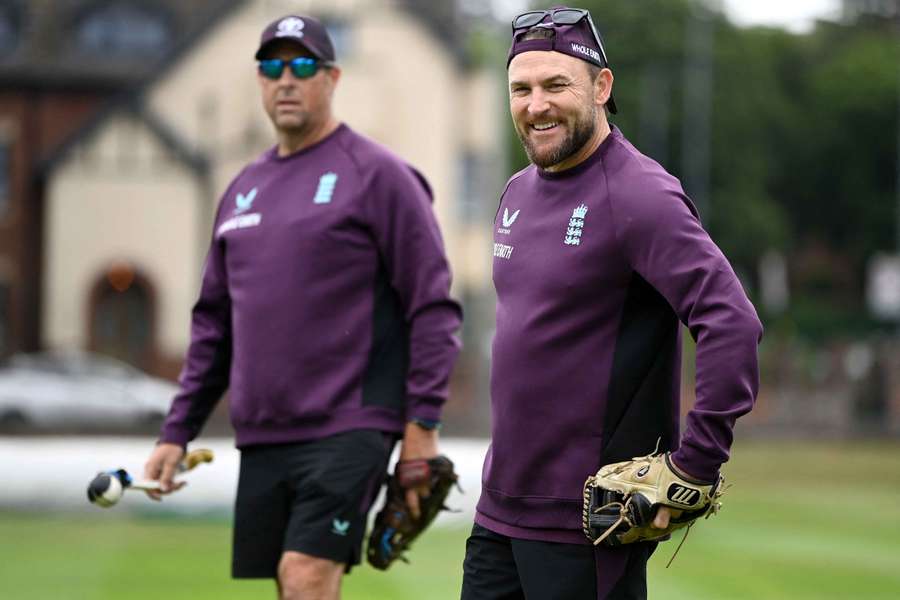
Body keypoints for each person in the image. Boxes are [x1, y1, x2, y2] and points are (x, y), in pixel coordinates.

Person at [142, 14, 462, 600]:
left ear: (332, 77)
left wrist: (422, 430)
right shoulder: (242, 189)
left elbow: (434, 308)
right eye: (271, 66)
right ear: (260, 81)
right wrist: (175, 433)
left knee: (306, 575)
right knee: (292, 586)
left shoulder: (380, 176)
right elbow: (214, 325)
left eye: (303, 64)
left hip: (350, 422)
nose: (286, 78)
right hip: (263, 431)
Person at [461, 7, 762, 599]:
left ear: (601, 87)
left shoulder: (638, 194)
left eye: (556, 86)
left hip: (587, 525)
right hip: (498, 512)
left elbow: (732, 321)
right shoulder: (516, 191)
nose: (535, 104)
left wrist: (695, 464)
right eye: (520, 89)